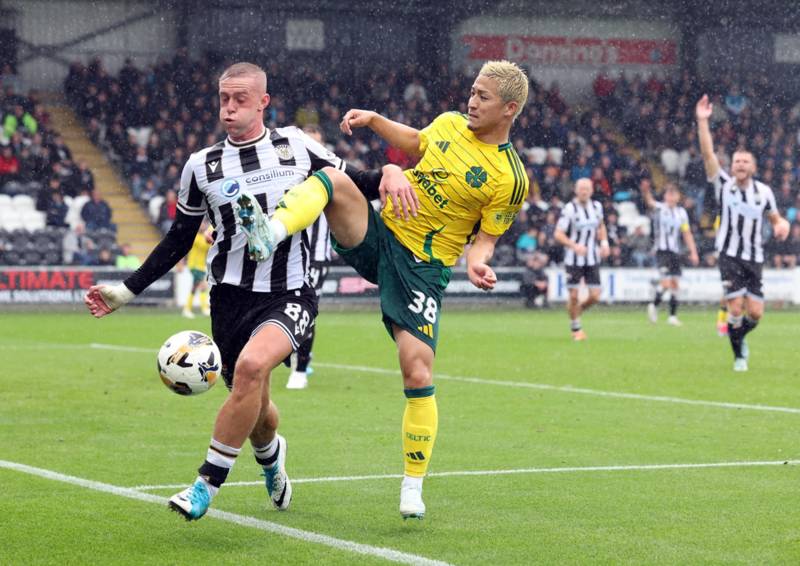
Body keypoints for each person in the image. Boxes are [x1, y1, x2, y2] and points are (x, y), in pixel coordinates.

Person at [232, 60, 529, 519]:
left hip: (422, 268)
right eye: (472, 90)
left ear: (509, 109)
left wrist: (479, 267)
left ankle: (413, 485)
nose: (472, 100)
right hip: (379, 233)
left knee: (417, 371)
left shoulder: (511, 179)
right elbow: (415, 140)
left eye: (483, 97)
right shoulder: (449, 124)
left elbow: (484, 240)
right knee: (331, 180)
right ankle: (270, 231)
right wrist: (373, 120)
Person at [84, 62, 380, 521]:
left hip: (291, 292)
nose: (229, 107)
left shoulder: (296, 146)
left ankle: (204, 485)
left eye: (240, 99)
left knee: (252, 366)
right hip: (229, 299)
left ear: (263, 102)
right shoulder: (202, 166)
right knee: (259, 414)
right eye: (223, 99)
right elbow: (179, 237)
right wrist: (126, 290)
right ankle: (272, 458)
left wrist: (395, 176)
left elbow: (356, 182)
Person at [696, 95, 790, 371]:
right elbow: (708, 155)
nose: (739, 165)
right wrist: (703, 121)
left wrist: (781, 225)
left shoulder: (764, 192)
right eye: (736, 161)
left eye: (745, 162)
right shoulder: (723, 184)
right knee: (735, 308)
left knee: (756, 314)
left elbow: (775, 218)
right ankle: (739, 356)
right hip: (729, 255)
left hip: (754, 257)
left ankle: (737, 337)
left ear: (753, 167)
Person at [286, 124, 332, 390]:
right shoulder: (291, 172)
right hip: (289, 252)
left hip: (316, 257)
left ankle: (300, 368)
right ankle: (296, 355)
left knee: (306, 312)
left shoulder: (331, 173)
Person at [554, 178, 609, 340]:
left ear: (592, 190)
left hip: (592, 258)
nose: (584, 191)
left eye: (587, 188)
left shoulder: (597, 207)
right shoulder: (569, 209)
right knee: (573, 295)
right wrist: (574, 246)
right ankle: (576, 328)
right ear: (576, 190)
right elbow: (558, 233)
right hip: (573, 259)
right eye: (581, 188)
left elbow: (601, 226)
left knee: (596, 296)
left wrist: (604, 243)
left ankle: (576, 311)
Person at [642, 182, 700, 326]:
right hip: (662, 251)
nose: (671, 197)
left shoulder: (682, 213)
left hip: (675, 252)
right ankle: (654, 305)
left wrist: (693, 252)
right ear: (665, 196)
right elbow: (649, 202)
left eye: (674, 194)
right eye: (668, 194)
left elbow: (686, 233)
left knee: (675, 284)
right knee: (666, 283)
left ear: (678, 196)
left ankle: (672, 316)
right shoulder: (660, 209)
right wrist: (646, 191)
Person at [182, 221, 211, 319]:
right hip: (194, 266)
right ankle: (205, 309)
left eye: (204, 224)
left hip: (201, 266)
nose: (203, 226)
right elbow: (204, 245)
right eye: (201, 224)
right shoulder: (195, 237)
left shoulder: (204, 237)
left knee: (194, 288)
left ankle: (187, 309)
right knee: (203, 285)